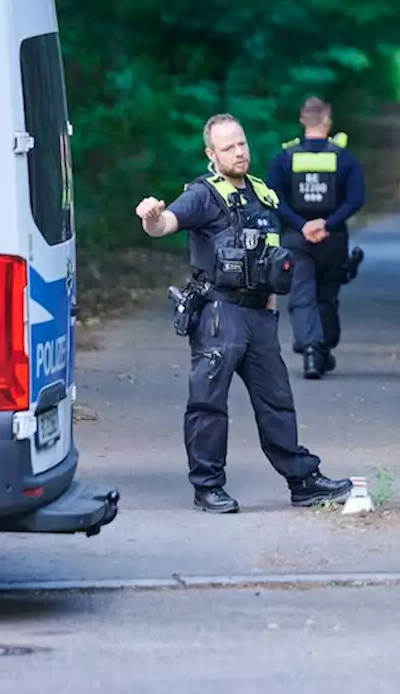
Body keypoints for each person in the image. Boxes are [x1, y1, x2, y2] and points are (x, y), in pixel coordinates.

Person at [134, 113, 354, 515]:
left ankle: (302, 480)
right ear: (211, 154)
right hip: (220, 313)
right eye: (228, 147)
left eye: (242, 144)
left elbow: (270, 258)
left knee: (277, 401)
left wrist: (270, 312)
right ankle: (208, 487)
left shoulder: (262, 194)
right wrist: (151, 217)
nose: (239, 152)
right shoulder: (203, 195)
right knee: (208, 404)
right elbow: (166, 224)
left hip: (258, 316)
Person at [265, 97, 366, 379]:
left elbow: (273, 198)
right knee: (327, 295)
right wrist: (327, 222)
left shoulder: (285, 157)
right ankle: (321, 349)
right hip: (333, 239)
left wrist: (301, 224)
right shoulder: (343, 157)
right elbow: (356, 198)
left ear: (302, 120)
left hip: (296, 238)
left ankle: (311, 350)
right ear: (327, 120)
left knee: (301, 295)